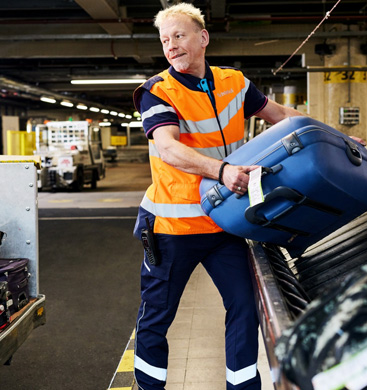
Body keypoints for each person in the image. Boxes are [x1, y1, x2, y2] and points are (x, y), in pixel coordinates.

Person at [131, 3, 306, 390]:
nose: (171, 46)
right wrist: (223, 172)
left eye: (178, 35)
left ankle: (242, 386)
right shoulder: (157, 91)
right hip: (172, 229)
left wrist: (340, 139)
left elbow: (281, 116)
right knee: (157, 316)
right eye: (164, 40)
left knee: (245, 307)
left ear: (203, 37)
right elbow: (169, 148)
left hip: (224, 222)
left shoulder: (235, 83)